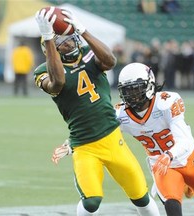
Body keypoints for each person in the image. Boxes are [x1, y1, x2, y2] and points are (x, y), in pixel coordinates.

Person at [34, 7, 160, 216]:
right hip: (85, 146)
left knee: (141, 197)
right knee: (91, 202)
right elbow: (57, 84)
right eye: (62, 42)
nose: (69, 43)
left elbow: (110, 61)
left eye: (70, 38)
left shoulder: (87, 52)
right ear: (50, 49)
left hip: (112, 140)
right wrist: (49, 37)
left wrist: (83, 30)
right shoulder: (43, 71)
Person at [115, 62, 194, 216]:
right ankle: (177, 184)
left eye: (136, 88)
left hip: (185, 157)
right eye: (127, 90)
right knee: (172, 206)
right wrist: (72, 143)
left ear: (149, 85)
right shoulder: (120, 114)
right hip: (160, 165)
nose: (132, 94)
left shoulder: (166, 103)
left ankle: (187, 185)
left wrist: (169, 155)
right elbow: (98, 133)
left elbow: (185, 140)